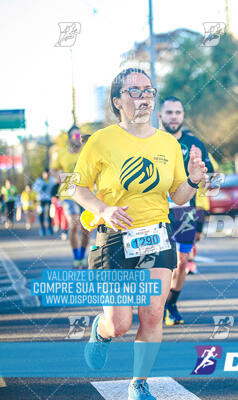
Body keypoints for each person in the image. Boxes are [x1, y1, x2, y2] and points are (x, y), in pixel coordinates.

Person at [71, 68, 207, 400]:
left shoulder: (168, 143)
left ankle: (139, 383)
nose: (144, 97)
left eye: (148, 91)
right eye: (134, 92)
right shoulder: (102, 140)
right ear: (117, 101)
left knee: (152, 312)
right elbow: (76, 186)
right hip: (113, 237)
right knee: (119, 323)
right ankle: (101, 333)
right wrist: (102, 209)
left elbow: (177, 197)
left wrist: (191, 180)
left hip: (156, 235)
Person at [158, 98, 214, 325]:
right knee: (159, 263)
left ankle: (171, 304)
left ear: (182, 116)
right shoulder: (152, 141)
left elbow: (208, 173)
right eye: (169, 112)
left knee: (181, 262)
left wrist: (207, 179)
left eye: (178, 112)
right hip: (157, 211)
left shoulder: (194, 143)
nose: (174, 116)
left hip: (185, 211)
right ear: (160, 115)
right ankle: (156, 306)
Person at [51, 125, 89, 268]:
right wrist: (58, 176)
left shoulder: (86, 152)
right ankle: (76, 257)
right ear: (69, 138)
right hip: (68, 193)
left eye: (79, 135)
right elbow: (53, 170)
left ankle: (82, 255)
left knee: (86, 228)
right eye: (75, 136)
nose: (77, 138)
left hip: (86, 193)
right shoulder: (62, 153)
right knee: (73, 224)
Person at [33, 170, 56, 236]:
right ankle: (42, 228)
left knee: (50, 214)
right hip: (41, 200)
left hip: (49, 199)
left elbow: (54, 187)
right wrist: (41, 188)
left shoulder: (51, 180)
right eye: (45, 174)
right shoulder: (39, 180)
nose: (47, 175)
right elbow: (34, 188)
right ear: (43, 174)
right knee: (41, 214)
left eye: (48, 174)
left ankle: (50, 228)